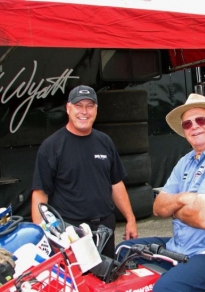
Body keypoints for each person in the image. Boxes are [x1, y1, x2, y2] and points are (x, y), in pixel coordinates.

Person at [117, 93, 205, 292]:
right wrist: (184, 199)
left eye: (200, 120)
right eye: (187, 124)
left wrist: (174, 210)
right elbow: (158, 207)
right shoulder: (186, 161)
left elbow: (203, 218)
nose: (194, 126)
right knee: (123, 249)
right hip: (182, 246)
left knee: (167, 290)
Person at [31, 85, 138, 258]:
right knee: (75, 283)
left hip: (105, 228)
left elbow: (116, 183)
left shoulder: (105, 141)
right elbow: (40, 194)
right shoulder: (51, 146)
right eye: (78, 105)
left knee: (106, 280)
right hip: (70, 233)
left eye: (89, 106)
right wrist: (43, 235)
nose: (84, 111)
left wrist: (130, 218)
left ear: (96, 110)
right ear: (68, 108)